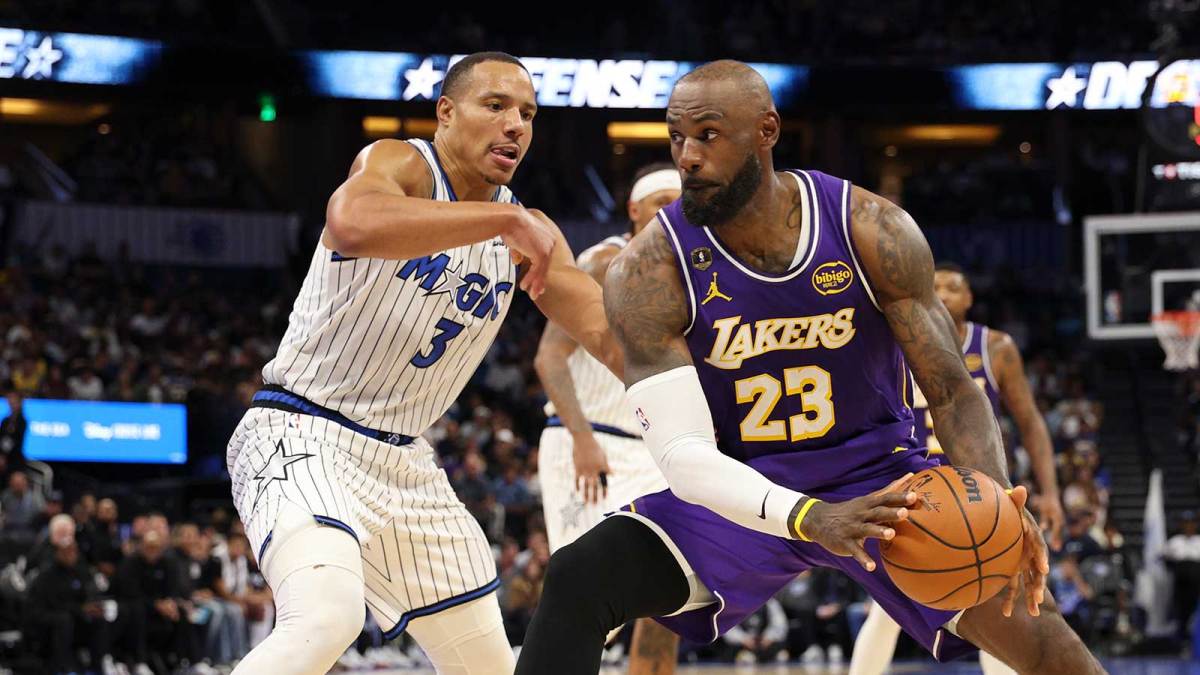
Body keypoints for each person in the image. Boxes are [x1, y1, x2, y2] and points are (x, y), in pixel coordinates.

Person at [515, 60, 1103, 675]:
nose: (687, 156)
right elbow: (684, 454)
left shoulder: (868, 228)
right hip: (745, 487)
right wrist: (808, 516)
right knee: (582, 574)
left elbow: (952, 390)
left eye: (708, 135)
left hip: (883, 485)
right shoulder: (647, 268)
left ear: (766, 130)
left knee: (1049, 647)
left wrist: (999, 503)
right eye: (676, 137)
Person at [226, 51, 621, 675]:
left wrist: (714, 376)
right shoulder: (402, 164)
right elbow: (351, 221)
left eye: (527, 113)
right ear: (446, 112)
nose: (516, 124)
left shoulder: (530, 230)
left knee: (489, 667)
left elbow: (607, 334)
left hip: (405, 464)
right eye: (495, 106)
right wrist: (504, 218)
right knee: (327, 618)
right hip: (300, 429)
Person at [848, 261, 1066, 675]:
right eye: (936, 286)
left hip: (981, 496)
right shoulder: (893, 341)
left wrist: (1050, 490)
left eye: (953, 286)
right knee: (887, 608)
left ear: (969, 298)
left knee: (1000, 600)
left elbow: (1030, 421)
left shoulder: (995, 347)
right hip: (916, 495)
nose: (944, 293)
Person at [533, 161, 682, 673]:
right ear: (634, 210)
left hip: (656, 452)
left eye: (679, 202)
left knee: (671, 595)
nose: (672, 213)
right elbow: (549, 357)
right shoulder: (604, 261)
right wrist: (581, 439)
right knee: (586, 593)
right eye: (660, 203)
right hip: (590, 442)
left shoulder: (695, 273)